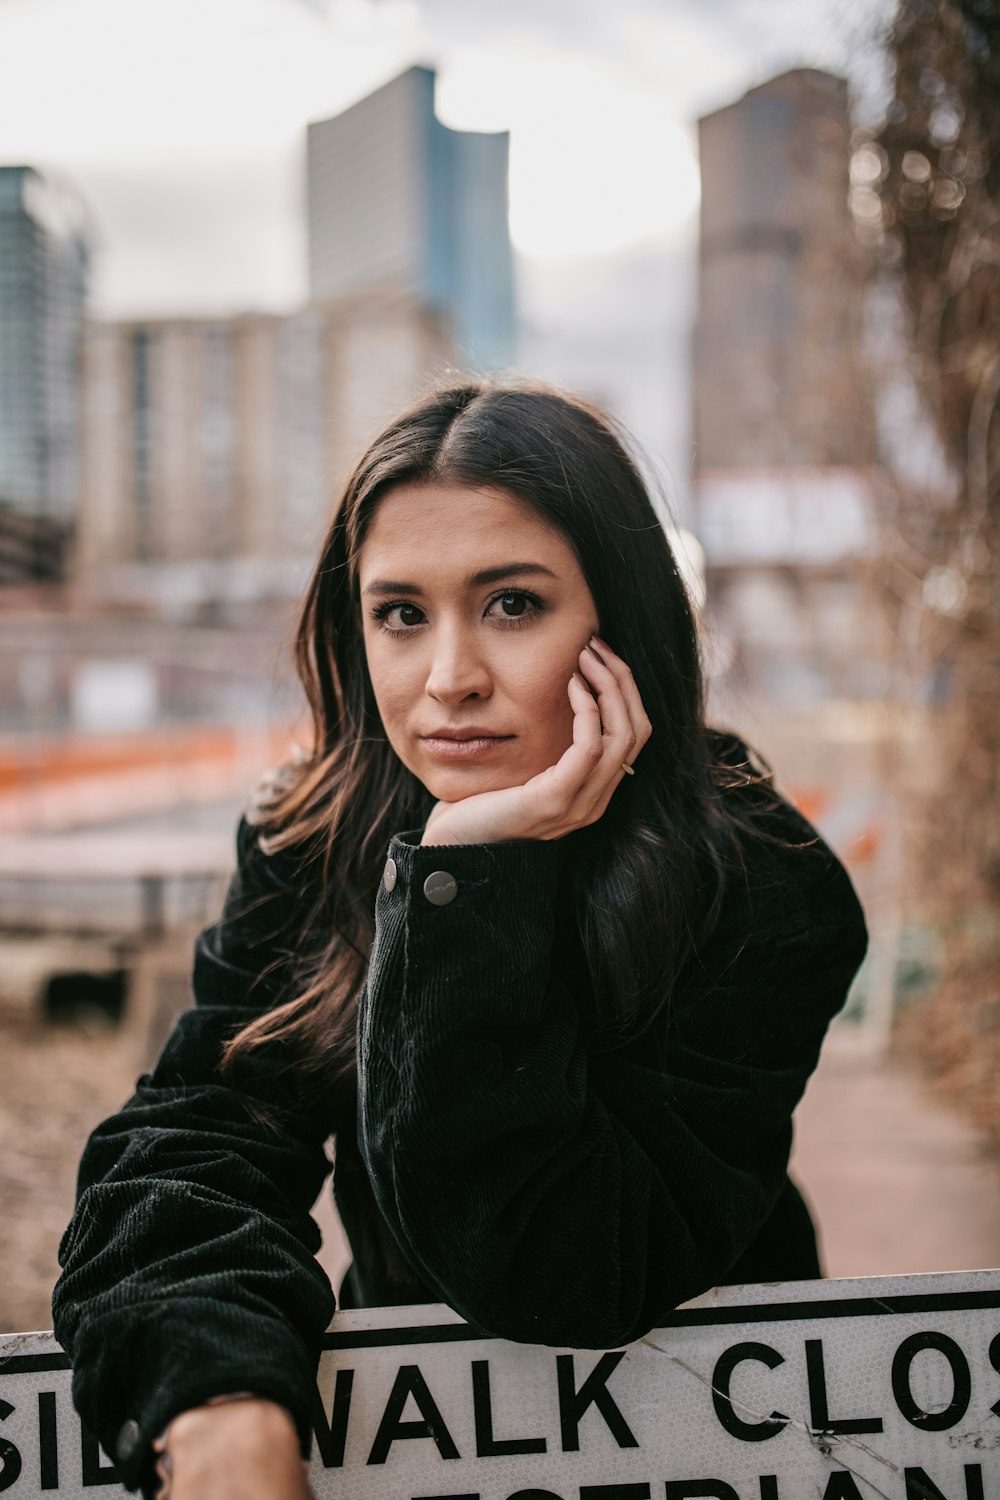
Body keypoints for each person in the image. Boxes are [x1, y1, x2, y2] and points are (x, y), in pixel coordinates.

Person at [52, 379, 867, 1500]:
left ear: (618, 626)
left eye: (512, 606)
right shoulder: (315, 838)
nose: (449, 680)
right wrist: (221, 1408)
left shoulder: (763, 887)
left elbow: (568, 1271)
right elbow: (197, 1145)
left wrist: (470, 877)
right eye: (401, 614)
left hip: (717, 1444)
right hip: (420, 1443)